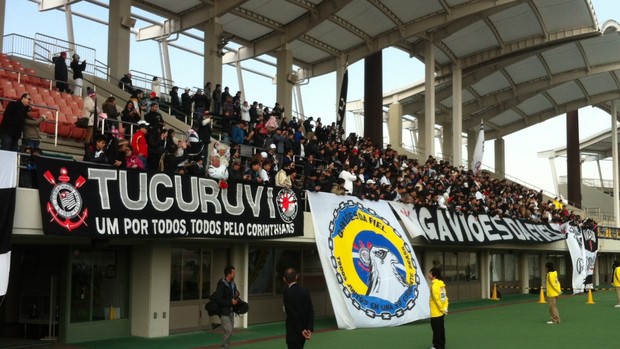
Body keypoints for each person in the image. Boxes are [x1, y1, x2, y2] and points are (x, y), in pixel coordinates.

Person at [282, 268, 314, 349]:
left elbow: (291, 312)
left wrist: (301, 330)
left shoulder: (287, 293)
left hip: (293, 331)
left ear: (284, 279)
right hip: (304, 330)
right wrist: (309, 328)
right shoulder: (305, 291)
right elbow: (310, 310)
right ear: (296, 277)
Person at [213, 265, 239, 349]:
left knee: (230, 331)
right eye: (233, 272)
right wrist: (230, 302)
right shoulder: (222, 285)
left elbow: (234, 293)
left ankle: (226, 346)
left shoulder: (233, 284)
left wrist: (236, 294)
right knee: (228, 330)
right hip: (224, 311)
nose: (235, 274)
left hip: (231, 310)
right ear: (229, 274)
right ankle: (224, 346)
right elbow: (218, 299)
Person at [428, 267, 448, 349]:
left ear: (434, 275)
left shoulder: (434, 286)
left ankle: (437, 346)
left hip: (436, 312)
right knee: (441, 329)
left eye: (430, 273)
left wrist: (441, 308)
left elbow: (437, 299)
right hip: (441, 312)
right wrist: (445, 308)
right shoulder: (441, 284)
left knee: (436, 330)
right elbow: (444, 298)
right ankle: (441, 345)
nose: (428, 274)